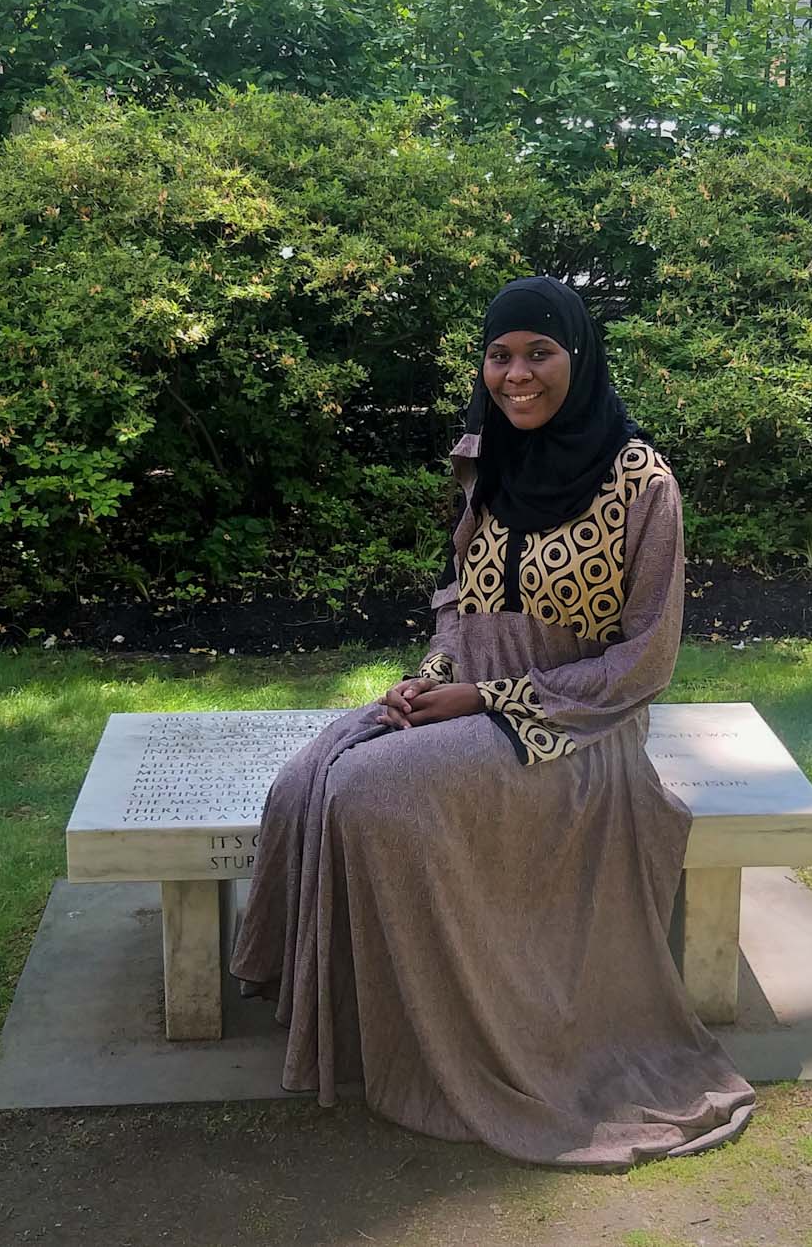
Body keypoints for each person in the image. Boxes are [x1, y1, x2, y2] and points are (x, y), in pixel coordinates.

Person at [229, 275, 756, 1168]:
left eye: (538, 353)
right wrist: (424, 681)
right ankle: (348, 1013)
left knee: (366, 789)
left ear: (577, 358)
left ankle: (427, 1035)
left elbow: (645, 662)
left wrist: (486, 699)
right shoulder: (488, 461)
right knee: (308, 776)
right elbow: (459, 610)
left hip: (577, 729)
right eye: (500, 354)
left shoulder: (642, 482)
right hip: (468, 694)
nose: (517, 374)